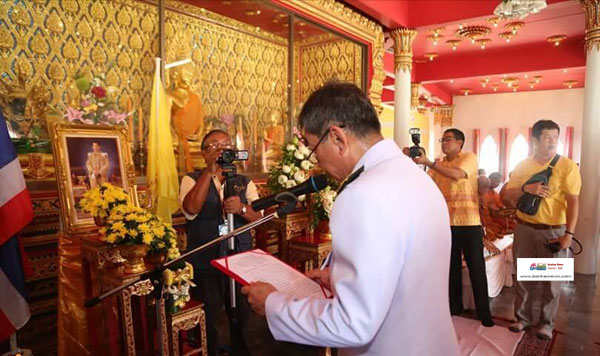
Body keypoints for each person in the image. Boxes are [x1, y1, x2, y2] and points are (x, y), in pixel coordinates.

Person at [242, 82, 459, 355]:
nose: (315, 161)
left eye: (312, 148)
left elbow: (354, 322)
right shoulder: (415, 176)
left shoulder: (362, 194)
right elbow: (406, 271)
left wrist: (273, 305)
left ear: (337, 138)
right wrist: (341, 278)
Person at [179, 129, 263, 356]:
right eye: (215, 146)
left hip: (239, 260)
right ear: (204, 153)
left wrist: (242, 209)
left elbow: (259, 216)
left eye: (226, 145)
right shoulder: (191, 179)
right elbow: (191, 209)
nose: (222, 149)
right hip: (207, 261)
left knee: (244, 317)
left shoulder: (244, 182)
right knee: (211, 320)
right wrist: (209, 172)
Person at [501, 120, 581, 340]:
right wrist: (528, 188)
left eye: (555, 137)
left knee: (551, 281)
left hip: (553, 231)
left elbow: (574, 202)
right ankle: (522, 318)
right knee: (524, 277)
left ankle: (546, 323)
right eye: (547, 137)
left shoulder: (567, 166)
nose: (552, 142)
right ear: (535, 140)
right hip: (524, 228)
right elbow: (507, 195)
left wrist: (569, 234)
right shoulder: (523, 165)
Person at [412, 128, 494, 326]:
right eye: (443, 139)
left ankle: (485, 314)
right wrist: (412, 163)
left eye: (448, 139)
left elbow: (457, 175)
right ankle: (454, 308)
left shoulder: (469, 158)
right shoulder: (439, 165)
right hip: (446, 224)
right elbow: (424, 184)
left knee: (476, 268)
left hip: (469, 223)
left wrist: (430, 163)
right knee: (451, 268)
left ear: (460, 143)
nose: (444, 143)